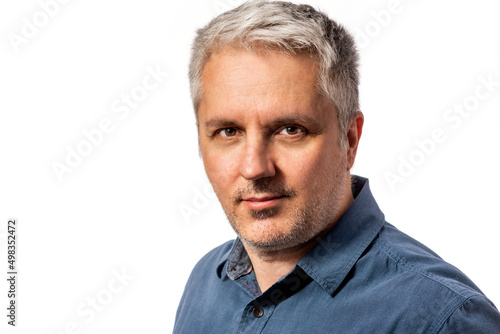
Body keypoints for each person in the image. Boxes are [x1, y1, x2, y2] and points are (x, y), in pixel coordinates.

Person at [174, 1, 500, 332]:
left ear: (350, 140)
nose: (255, 168)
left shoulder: (441, 319)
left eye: (291, 130)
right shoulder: (205, 283)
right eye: (228, 132)